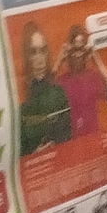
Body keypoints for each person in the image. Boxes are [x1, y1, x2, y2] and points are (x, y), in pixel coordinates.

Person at [18, 24, 71, 154]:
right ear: (25, 56)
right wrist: (33, 155)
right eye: (33, 52)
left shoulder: (58, 93)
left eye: (43, 51)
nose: (40, 60)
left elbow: (67, 138)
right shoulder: (19, 99)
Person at [58, 23, 107, 140]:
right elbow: (44, 97)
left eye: (81, 50)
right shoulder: (61, 81)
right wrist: (59, 60)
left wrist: (98, 61)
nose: (78, 55)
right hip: (71, 140)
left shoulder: (93, 77)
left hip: (94, 138)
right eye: (74, 49)